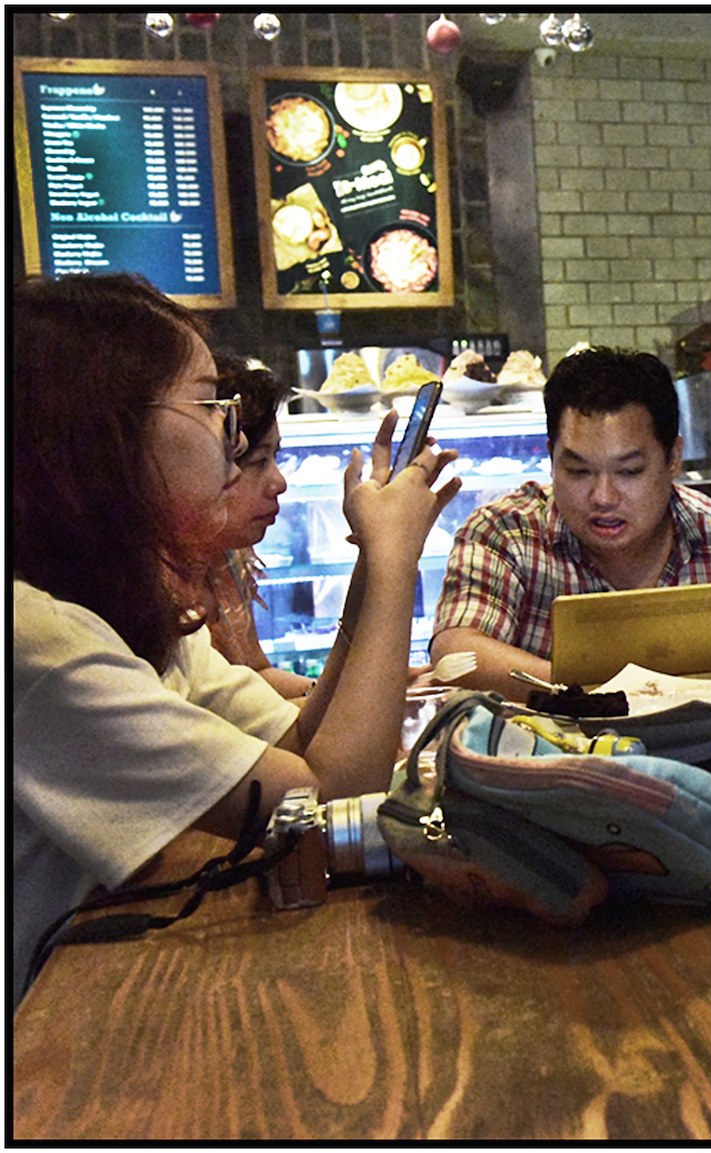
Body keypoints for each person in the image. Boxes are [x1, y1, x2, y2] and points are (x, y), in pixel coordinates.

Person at [10, 272, 463, 1009]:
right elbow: (326, 799)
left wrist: (369, 565)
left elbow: (297, 741)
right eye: (205, 401)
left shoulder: (120, 606)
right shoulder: (39, 643)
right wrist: (393, 561)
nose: (232, 428)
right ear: (104, 431)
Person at [431, 345, 711, 699]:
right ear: (551, 457)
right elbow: (457, 651)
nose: (603, 497)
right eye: (578, 471)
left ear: (673, 458)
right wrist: (601, 697)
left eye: (630, 471)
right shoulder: (506, 534)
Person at [197, 351, 315, 699]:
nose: (279, 482)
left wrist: (340, 693)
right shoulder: (152, 584)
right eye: (258, 461)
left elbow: (255, 673)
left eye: (275, 457)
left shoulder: (227, 555)